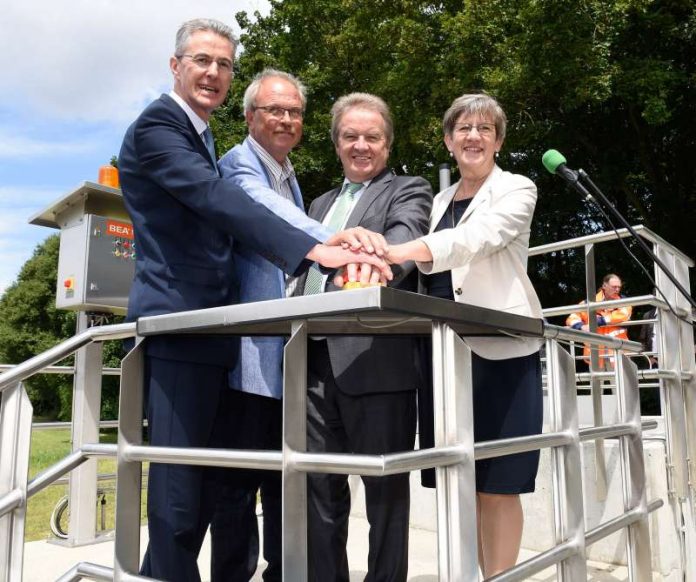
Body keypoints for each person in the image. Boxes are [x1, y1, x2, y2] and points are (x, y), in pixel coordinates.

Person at [118, 19, 391, 582]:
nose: (213, 73)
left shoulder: (201, 133)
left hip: (214, 333)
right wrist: (318, 247)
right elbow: (218, 198)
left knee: (199, 489)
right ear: (176, 66)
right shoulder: (161, 126)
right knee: (179, 491)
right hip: (179, 326)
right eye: (201, 60)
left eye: (223, 64)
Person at [385, 93, 544, 577]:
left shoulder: (517, 188)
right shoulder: (435, 201)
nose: (474, 136)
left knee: (500, 483)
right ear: (448, 139)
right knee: (461, 481)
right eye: (464, 128)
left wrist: (398, 250)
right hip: (443, 357)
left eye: (485, 129)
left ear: (498, 139)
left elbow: (476, 240)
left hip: (499, 351)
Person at [296, 93, 432, 582]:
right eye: (350, 136)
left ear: (387, 144)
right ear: (335, 144)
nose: (361, 145)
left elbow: (403, 247)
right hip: (309, 362)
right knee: (318, 496)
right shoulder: (317, 204)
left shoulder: (409, 189)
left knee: (386, 502)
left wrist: (364, 264)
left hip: (377, 363)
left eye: (372, 137)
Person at [210, 69, 332, 581]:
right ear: (249, 116)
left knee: (286, 483)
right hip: (247, 360)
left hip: (288, 359)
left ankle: (284, 572)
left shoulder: (288, 173)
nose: (285, 119)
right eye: (273, 110)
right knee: (237, 490)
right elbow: (268, 219)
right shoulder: (238, 167)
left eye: (294, 112)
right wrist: (342, 241)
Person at [566, 274, 632, 369]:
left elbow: (623, 315)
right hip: (594, 352)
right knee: (596, 382)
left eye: (619, 287)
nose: (617, 290)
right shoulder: (588, 302)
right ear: (604, 286)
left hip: (617, 352)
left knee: (618, 383)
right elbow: (572, 317)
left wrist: (597, 322)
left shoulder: (624, 301)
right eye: (614, 287)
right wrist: (580, 326)